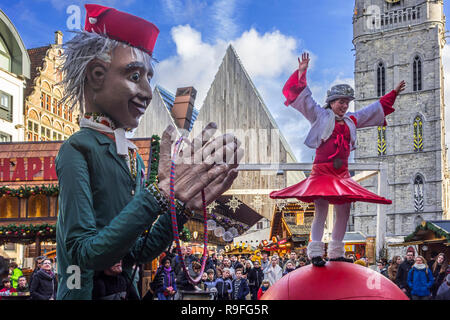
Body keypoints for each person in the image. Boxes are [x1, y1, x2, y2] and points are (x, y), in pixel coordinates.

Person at [55, 4, 242, 300]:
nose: (147, 92)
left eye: (148, 78)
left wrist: (181, 205)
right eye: (134, 76)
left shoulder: (131, 157)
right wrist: (158, 194)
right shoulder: (77, 148)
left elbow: (139, 251)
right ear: (96, 74)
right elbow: (83, 254)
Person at [270, 52, 405, 266]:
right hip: (322, 172)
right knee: (321, 210)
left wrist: (393, 93)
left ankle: (335, 251)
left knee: (344, 209)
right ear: (332, 103)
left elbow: (373, 110)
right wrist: (302, 72)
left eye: (347, 102)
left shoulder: (352, 120)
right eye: (341, 102)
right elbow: (303, 98)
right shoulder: (320, 115)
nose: (344, 106)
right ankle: (315, 252)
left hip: (341, 175)